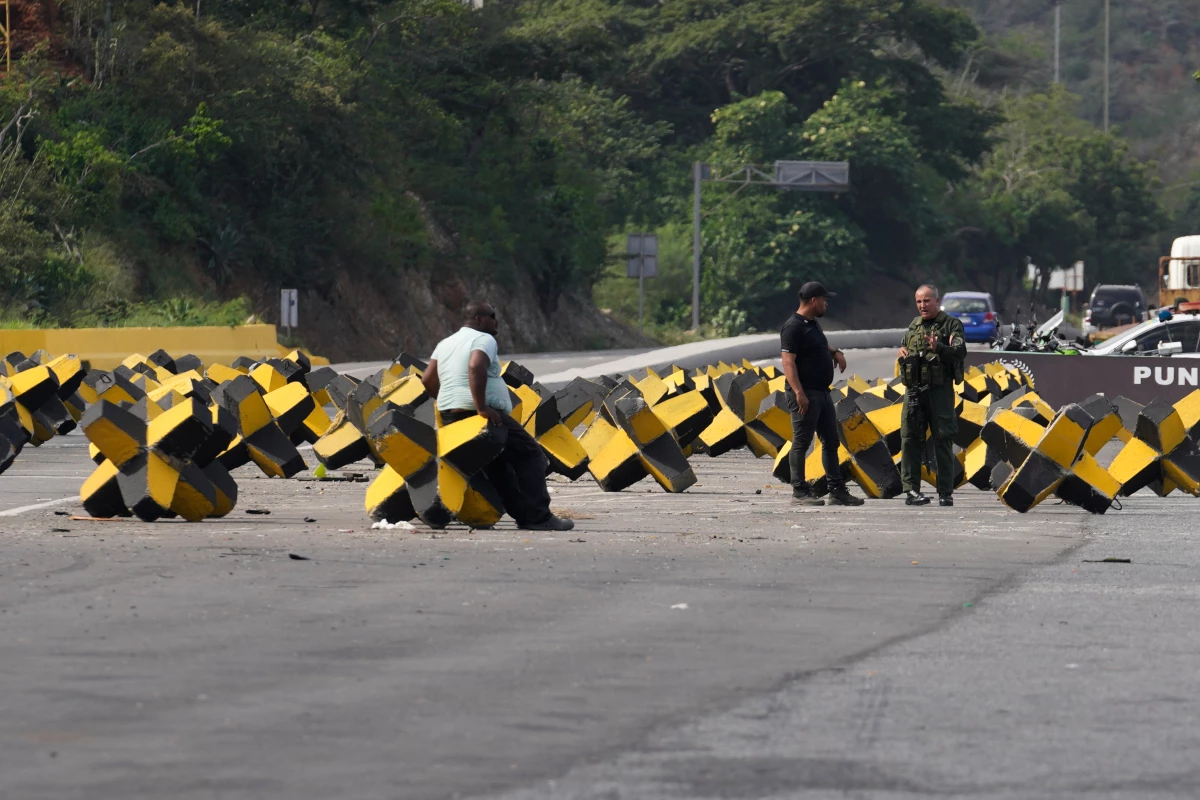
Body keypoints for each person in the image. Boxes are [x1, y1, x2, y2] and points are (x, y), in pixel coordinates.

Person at [421, 302, 574, 531]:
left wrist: (448, 401)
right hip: (480, 415)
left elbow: (428, 380)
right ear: (479, 319)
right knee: (531, 455)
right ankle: (539, 517)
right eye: (493, 316)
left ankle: (525, 516)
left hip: (451, 417)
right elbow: (475, 366)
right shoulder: (484, 339)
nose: (497, 321)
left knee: (498, 465)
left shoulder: (445, 343)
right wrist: (481, 407)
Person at [780, 282, 864, 507]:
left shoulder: (812, 324)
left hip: (822, 393)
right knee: (802, 441)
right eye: (824, 300)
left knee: (831, 441)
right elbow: (788, 363)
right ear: (813, 300)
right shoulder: (793, 327)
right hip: (805, 393)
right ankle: (799, 491)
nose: (827, 304)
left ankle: (837, 491)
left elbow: (818, 346)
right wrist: (799, 393)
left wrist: (835, 352)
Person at [897, 284, 967, 507]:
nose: (922, 305)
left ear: (937, 301)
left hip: (939, 392)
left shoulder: (951, 324)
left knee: (943, 440)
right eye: (919, 301)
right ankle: (911, 491)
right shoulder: (913, 326)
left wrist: (939, 348)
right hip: (914, 391)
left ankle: (945, 492)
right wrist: (901, 353)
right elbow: (904, 349)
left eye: (927, 301)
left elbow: (960, 351)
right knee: (909, 439)